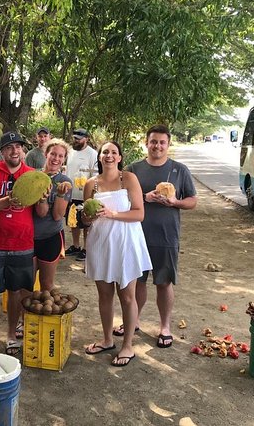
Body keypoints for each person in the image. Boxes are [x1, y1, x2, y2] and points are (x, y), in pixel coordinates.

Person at [112, 125, 197, 348]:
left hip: (167, 236)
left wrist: (175, 202)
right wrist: (144, 197)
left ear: (168, 145)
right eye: (153, 142)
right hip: (135, 235)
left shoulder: (179, 170)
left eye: (161, 142)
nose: (157, 146)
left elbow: (192, 201)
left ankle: (165, 326)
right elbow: (121, 198)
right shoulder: (133, 169)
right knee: (136, 281)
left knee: (164, 281)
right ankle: (134, 320)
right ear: (146, 143)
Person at [82, 141, 151, 367]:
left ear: (120, 157)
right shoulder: (91, 184)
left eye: (113, 152)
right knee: (104, 295)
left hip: (125, 243)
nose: (109, 156)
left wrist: (112, 213)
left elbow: (139, 213)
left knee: (127, 296)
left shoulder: (128, 179)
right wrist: (87, 217)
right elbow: (85, 219)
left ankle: (128, 345)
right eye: (105, 152)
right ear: (99, 157)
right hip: (100, 243)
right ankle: (107, 339)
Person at [0, 131, 41, 357]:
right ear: (2, 152)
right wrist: (6, 201)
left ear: (23, 150)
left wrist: (42, 198)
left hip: (23, 242)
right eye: (9, 147)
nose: (15, 151)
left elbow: (41, 212)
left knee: (16, 292)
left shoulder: (32, 175)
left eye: (18, 147)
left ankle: (12, 336)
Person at [33, 138, 73, 290]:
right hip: (29, 237)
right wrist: (41, 198)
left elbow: (57, 216)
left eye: (60, 156)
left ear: (64, 159)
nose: (56, 159)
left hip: (51, 237)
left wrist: (60, 195)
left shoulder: (65, 182)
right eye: (53, 154)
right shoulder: (33, 176)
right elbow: (40, 212)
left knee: (47, 284)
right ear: (46, 154)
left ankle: (42, 315)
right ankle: (22, 315)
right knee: (25, 285)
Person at [64, 128, 97, 261]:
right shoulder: (71, 152)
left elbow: (95, 174)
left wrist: (91, 191)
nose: (76, 140)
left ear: (86, 139)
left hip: (85, 194)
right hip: (70, 193)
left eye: (79, 138)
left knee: (86, 223)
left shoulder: (92, 154)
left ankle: (86, 248)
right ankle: (75, 245)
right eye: (75, 138)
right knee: (73, 221)